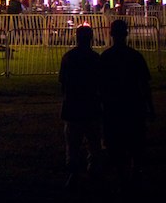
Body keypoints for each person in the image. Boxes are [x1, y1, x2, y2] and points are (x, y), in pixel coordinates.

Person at [100, 19, 154, 190]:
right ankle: (135, 171)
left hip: (113, 106)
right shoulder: (135, 56)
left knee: (116, 142)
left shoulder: (106, 57)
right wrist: (150, 107)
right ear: (127, 33)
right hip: (133, 105)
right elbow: (144, 84)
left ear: (111, 34)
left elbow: (100, 85)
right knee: (135, 141)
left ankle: (122, 175)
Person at [58, 24, 102, 190]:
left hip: (73, 106)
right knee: (94, 142)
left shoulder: (68, 58)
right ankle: (94, 170)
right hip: (91, 106)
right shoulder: (96, 58)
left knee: (73, 144)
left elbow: (63, 83)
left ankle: (74, 174)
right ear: (90, 38)